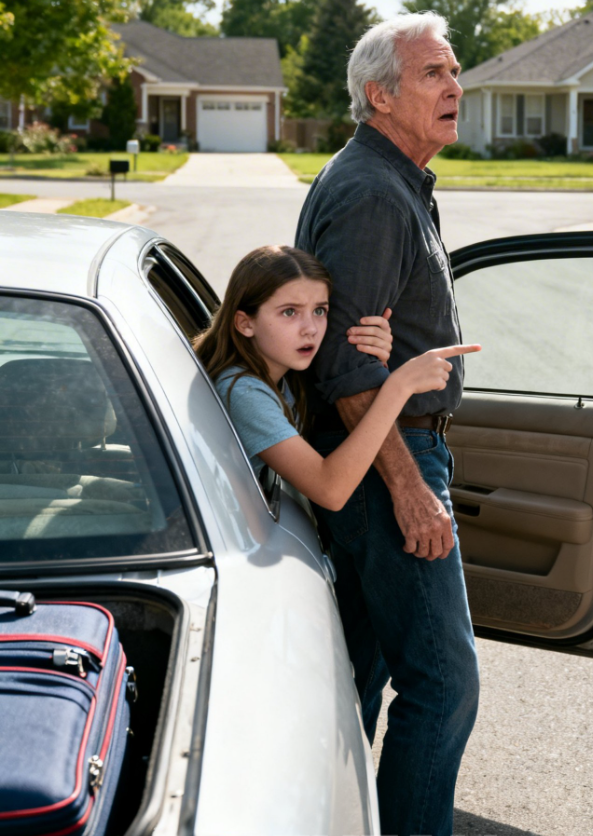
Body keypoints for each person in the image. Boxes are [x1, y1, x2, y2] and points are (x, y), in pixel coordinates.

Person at [295, 12, 479, 835]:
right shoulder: (371, 193)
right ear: (380, 95)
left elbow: (366, 337)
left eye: (454, 70)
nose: (454, 86)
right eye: (433, 74)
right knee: (440, 685)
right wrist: (409, 489)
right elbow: (343, 370)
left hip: (388, 455)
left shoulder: (395, 180)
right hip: (382, 464)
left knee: (357, 681)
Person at [192, 244, 478, 508]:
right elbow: (331, 491)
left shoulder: (282, 377)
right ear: (245, 323)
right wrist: (398, 387)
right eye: (289, 312)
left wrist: (373, 358)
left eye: (320, 310)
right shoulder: (242, 390)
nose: (311, 328)